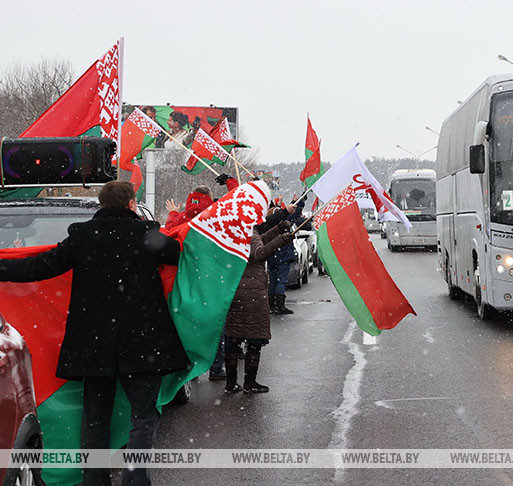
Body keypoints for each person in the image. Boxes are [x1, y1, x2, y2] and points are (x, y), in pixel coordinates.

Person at [0, 181, 188, 486]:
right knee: (143, 415)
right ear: (131, 204)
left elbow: (38, 268)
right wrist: (152, 226)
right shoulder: (146, 235)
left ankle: (95, 480)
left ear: (101, 205)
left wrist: (2, 268)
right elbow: (177, 252)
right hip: (143, 343)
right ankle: (135, 479)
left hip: (94, 344)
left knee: (95, 419)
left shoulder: (82, 235)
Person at [164, 174, 238, 381]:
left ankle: (190, 371)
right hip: (211, 282)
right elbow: (238, 201)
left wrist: (172, 214)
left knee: (186, 329)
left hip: (184, 284)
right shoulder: (215, 217)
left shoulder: (180, 219)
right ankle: (216, 368)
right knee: (215, 326)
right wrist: (231, 182)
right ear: (210, 198)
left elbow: (168, 235)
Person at [224, 219, 296, 394]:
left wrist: (278, 229)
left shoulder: (234, 230)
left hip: (234, 287)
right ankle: (250, 382)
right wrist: (283, 238)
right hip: (252, 292)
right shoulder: (250, 230)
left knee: (233, 339)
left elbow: (258, 241)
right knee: (254, 340)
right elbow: (259, 252)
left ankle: (231, 383)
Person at [265, 198, 304, 315]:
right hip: (283, 257)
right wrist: (301, 200)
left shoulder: (267, 226)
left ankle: (272, 305)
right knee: (281, 281)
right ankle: (280, 305)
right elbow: (295, 214)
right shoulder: (284, 224)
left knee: (273, 281)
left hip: (271, 256)